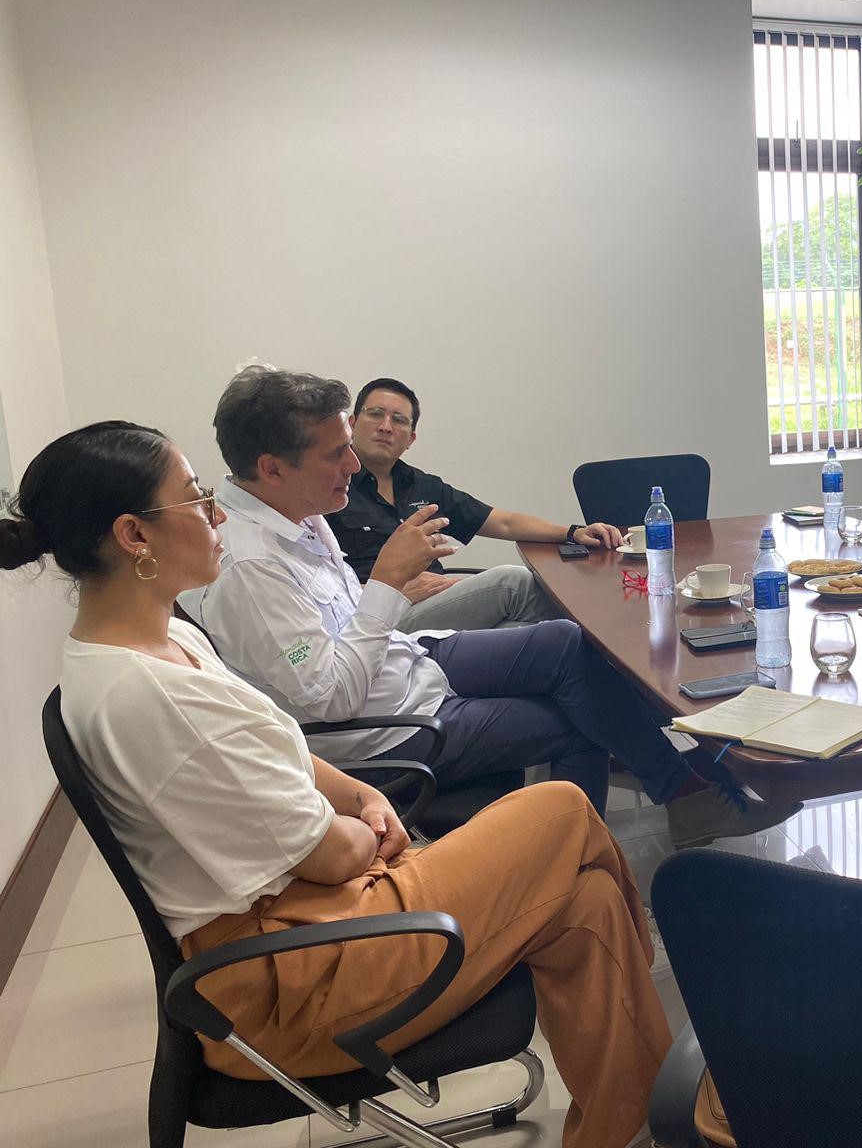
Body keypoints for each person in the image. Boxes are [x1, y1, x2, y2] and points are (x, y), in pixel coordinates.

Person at [0, 420, 674, 1148]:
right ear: (135, 535)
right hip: (295, 980)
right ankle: (665, 1096)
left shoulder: (166, 640)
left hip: (317, 917)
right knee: (562, 809)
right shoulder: (149, 695)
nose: (217, 513)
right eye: (196, 499)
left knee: (588, 897)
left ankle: (631, 1123)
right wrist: (364, 832)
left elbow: (283, 743)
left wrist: (362, 796)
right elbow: (329, 855)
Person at [182, 366, 797, 848]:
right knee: (579, 718)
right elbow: (331, 699)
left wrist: (392, 604)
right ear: (271, 468)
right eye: (336, 453)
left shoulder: (301, 512)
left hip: (407, 663)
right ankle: (583, 871)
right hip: (386, 731)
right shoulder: (252, 568)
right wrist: (388, 583)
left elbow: (482, 528)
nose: (353, 463)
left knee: (566, 641)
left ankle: (689, 776)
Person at [329, 376, 617, 633]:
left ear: (411, 439)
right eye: (375, 414)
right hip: (374, 618)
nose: (386, 427)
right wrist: (389, 590)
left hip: (436, 601)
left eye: (399, 420)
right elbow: (316, 588)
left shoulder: (421, 485)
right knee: (513, 583)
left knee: (532, 631)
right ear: (352, 424)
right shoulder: (329, 488)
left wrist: (573, 532)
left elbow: (504, 523)